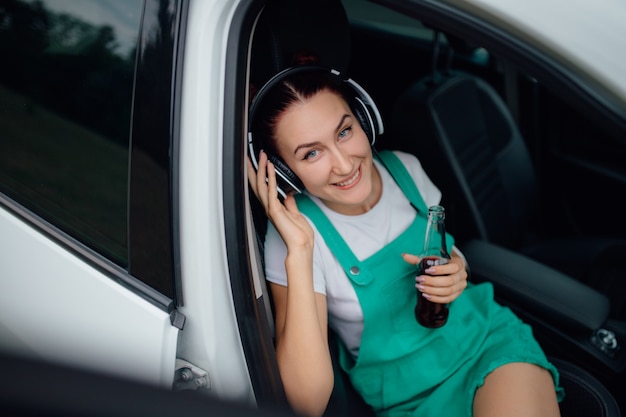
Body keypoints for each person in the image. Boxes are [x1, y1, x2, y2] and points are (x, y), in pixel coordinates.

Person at [247, 65, 564, 417]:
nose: (343, 164)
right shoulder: (293, 235)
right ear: (282, 171)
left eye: (344, 132)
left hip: (484, 344)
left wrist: (457, 270)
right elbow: (308, 403)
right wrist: (300, 252)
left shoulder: (405, 169)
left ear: (364, 119)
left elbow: (445, 252)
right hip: (407, 399)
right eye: (311, 153)